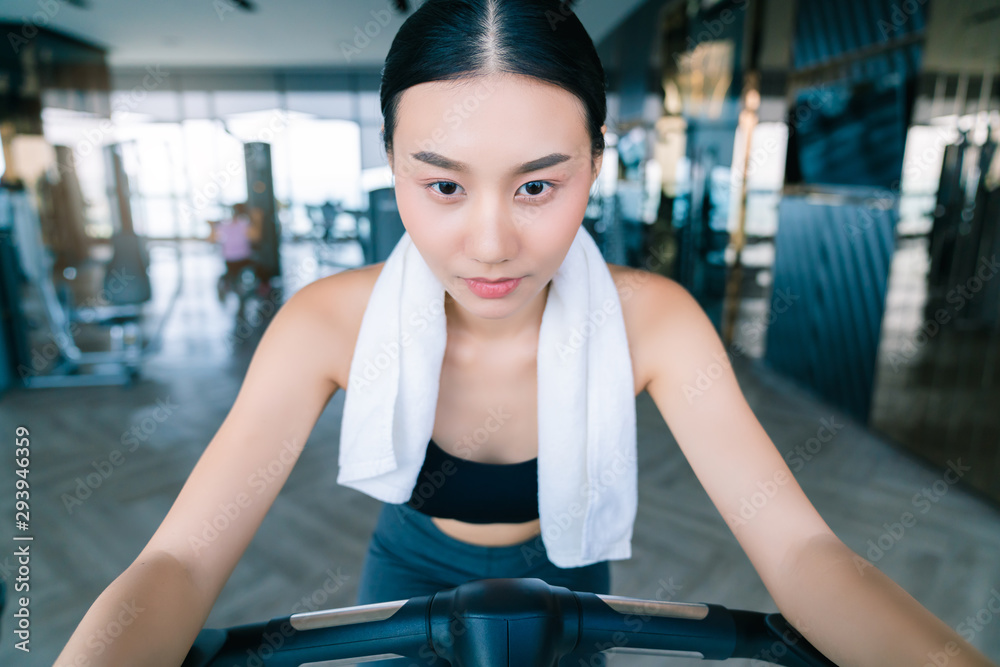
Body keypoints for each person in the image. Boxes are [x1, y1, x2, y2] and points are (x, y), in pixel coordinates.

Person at [53, 1, 998, 666]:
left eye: (539, 184)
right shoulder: (323, 324)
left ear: (596, 163)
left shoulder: (654, 320)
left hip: (573, 567)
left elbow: (803, 553)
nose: (493, 241)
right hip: (407, 566)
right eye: (444, 185)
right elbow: (177, 561)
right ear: (392, 165)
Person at [207, 201, 262, 302]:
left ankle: (232, 284)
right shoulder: (244, 224)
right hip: (242, 259)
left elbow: (211, 240)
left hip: (231, 260)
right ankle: (237, 286)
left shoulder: (223, 226)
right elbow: (256, 238)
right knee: (257, 268)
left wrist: (211, 227)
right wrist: (258, 220)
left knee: (236, 274)